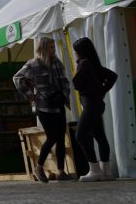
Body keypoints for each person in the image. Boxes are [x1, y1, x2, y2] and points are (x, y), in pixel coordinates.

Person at [13, 36, 71, 183]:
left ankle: (61, 171)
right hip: (43, 106)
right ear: (43, 49)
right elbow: (17, 78)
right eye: (51, 47)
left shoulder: (57, 63)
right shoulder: (33, 64)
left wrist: (64, 95)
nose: (53, 50)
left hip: (58, 104)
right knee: (52, 137)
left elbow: (65, 81)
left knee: (60, 138)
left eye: (54, 47)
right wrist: (29, 94)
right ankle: (39, 167)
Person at [72, 37, 119, 182]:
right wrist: (102, 91)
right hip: (97, 104)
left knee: (80, 136)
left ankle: (95, 170)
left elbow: (76, 83)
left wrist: (78, 63)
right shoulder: (94, 63)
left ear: (80, 52)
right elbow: (113, 76)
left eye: (75, 51)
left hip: (90, 104)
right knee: (99, 136)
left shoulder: (84, 63)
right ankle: (106, 171)